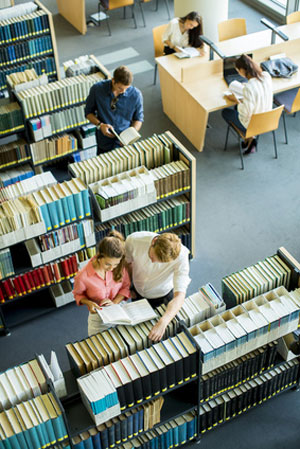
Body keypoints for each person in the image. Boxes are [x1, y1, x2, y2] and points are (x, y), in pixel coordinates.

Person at [125, 231, 191, 342]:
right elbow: (127, 263)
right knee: (138, 336)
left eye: (160, 262)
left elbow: (180, 296)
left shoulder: (182, 256)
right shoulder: (134, 240)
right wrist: (127, 286)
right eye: (151, 257)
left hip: (162, 296)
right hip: (137, 293)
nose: (154, 262)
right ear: (154, 242)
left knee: (163, 337)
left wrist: (163, 322)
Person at [73, 230, 131, 336]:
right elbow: (78, 294)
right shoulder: (82, 276)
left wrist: (114, 303)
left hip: (119, 310)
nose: (112, 268)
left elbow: (125, 287)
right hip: (98, 318)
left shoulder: (119, 266)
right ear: (99, 257)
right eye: (108, 264)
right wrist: (89, 303)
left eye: (115, 264)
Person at [85, 65, 144, 153]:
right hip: (104, 140)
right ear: (113, 81)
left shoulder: (136, 95)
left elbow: (138, 119)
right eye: (120, 88)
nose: (123, 91)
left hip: (124, 142)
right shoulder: (97, 89)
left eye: (126, 88)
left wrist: (130, 136)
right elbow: (88, 113)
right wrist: (100, 125)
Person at [222, 54, 273, 154]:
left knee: (226, 112)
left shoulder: (249, 88)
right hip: (269, 120)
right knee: (239, 108)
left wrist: (237, 100)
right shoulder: (266, 76)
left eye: (238, 70)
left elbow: (245, 113)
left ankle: (250, 137)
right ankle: (249, 140)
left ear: (242, 70)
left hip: (254, 124)